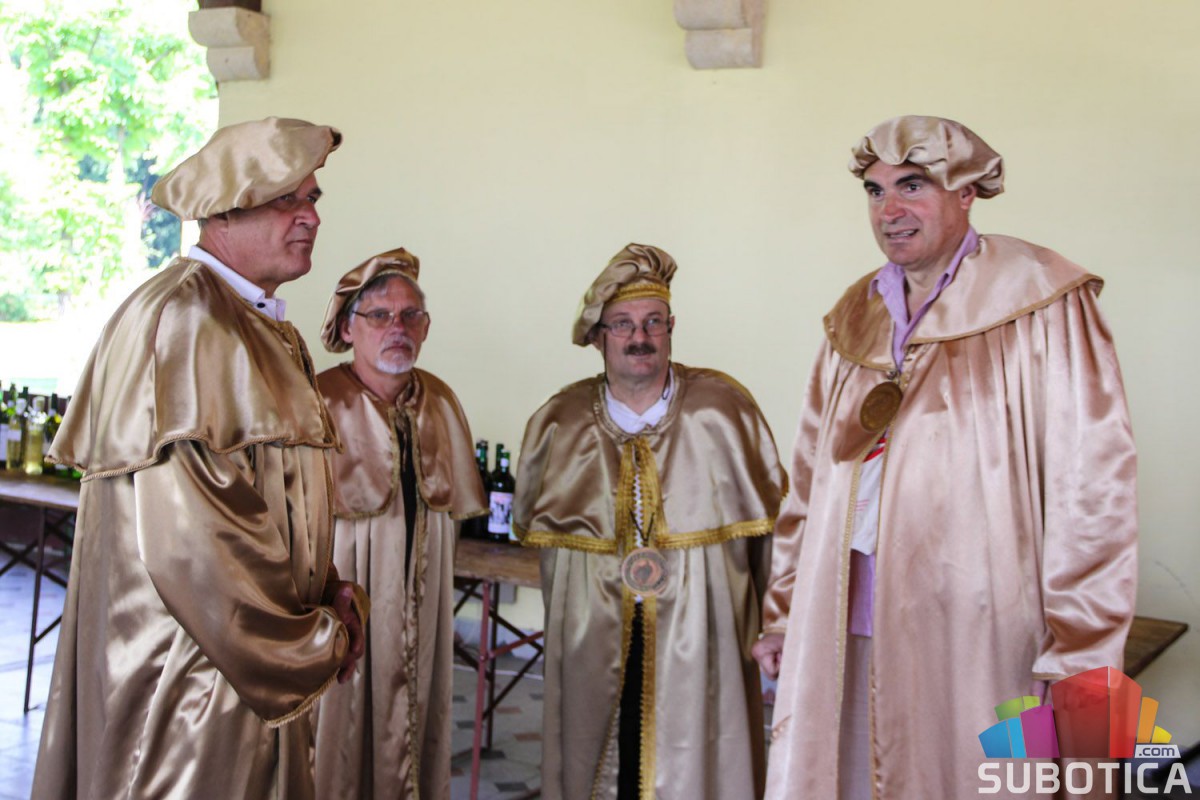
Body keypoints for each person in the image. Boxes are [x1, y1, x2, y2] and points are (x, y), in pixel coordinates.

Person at [754, 116, 1138, 798]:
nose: (888, 210)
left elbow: (1092, 485)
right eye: (874, 191)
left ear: (966, 192)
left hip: (979, 624)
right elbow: (809, 482)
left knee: (968, 776)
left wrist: (1080, 652)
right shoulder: (855, 314)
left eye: (912, 186)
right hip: (842, 615)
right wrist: (783, 613)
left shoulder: (1040, 300)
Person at [32, 117, 369, 800]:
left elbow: (271, 496)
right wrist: (311, 639)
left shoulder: (257, 322)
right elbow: (195, 545)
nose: (310, 217)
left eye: (312, 199)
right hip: (191, 683)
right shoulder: (187, 321)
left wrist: (322, 587)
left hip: (241, 672)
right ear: (223, 211)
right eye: (286, 200)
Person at [514, 243, 788, 800]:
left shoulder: (723, 410)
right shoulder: (560, 422)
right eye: (622, 324)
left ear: (671, 328)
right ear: (599, 337)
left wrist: (776, 620)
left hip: (700, 636)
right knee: (600, 763)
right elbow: (547, 554)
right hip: (596, 637)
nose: (639, 337)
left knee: (696, 764)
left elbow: (773, 540)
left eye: (653, 322)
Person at [312, 248, 487, 798]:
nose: (398, 328)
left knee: (419, 707)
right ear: (348, 327)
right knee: (338, 722)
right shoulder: (318, 402)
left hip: (421, 597)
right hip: (342, 596)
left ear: (426, 327)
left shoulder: (441, 401)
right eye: (381, 315)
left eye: (411, 315)